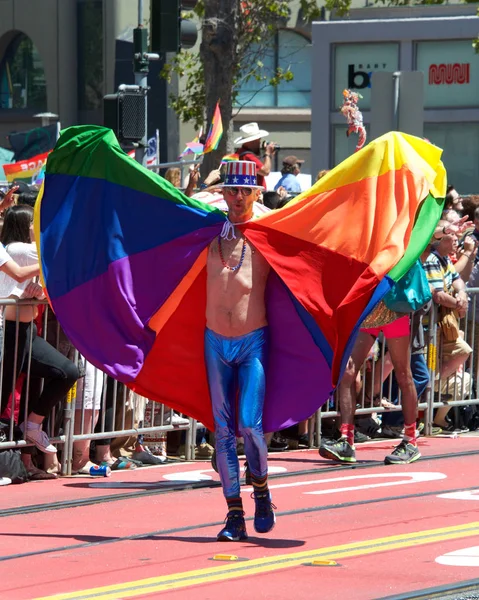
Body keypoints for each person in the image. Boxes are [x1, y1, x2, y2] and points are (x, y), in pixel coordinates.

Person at [205, 160, 275, 541]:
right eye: (231, 190)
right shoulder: (204, 228)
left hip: (252, 342)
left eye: (244, 191)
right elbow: (169, 205)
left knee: (249, 424)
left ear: (256, 194)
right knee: (223, 433)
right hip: (214, 340)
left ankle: (261, 491)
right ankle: (234, 515)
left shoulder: (269, 232)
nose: (236, 197)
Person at [0, 205, 79, 461]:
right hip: (7, 331)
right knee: (2, 396)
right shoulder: (16, 248)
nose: (36, 225)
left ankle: (33, 425)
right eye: (34, 221)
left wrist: (34, 294)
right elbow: (20, 273)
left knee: (68, 371)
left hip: (27, 330)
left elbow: (33, 291)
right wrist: (46, 265)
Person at [320, 302, 422, 465]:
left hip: (395, 310)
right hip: (370, 309)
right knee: (348, 370)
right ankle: (346, 440)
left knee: (403, 374)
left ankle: (410, 441)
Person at [233, 122, 277, 189]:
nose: (259, 143)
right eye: (258, 140)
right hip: (253, 194)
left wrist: (267, 155)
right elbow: (266, 171)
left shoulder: (241, 153)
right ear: (252, 141)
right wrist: (267, 154)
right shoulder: (247, 156)